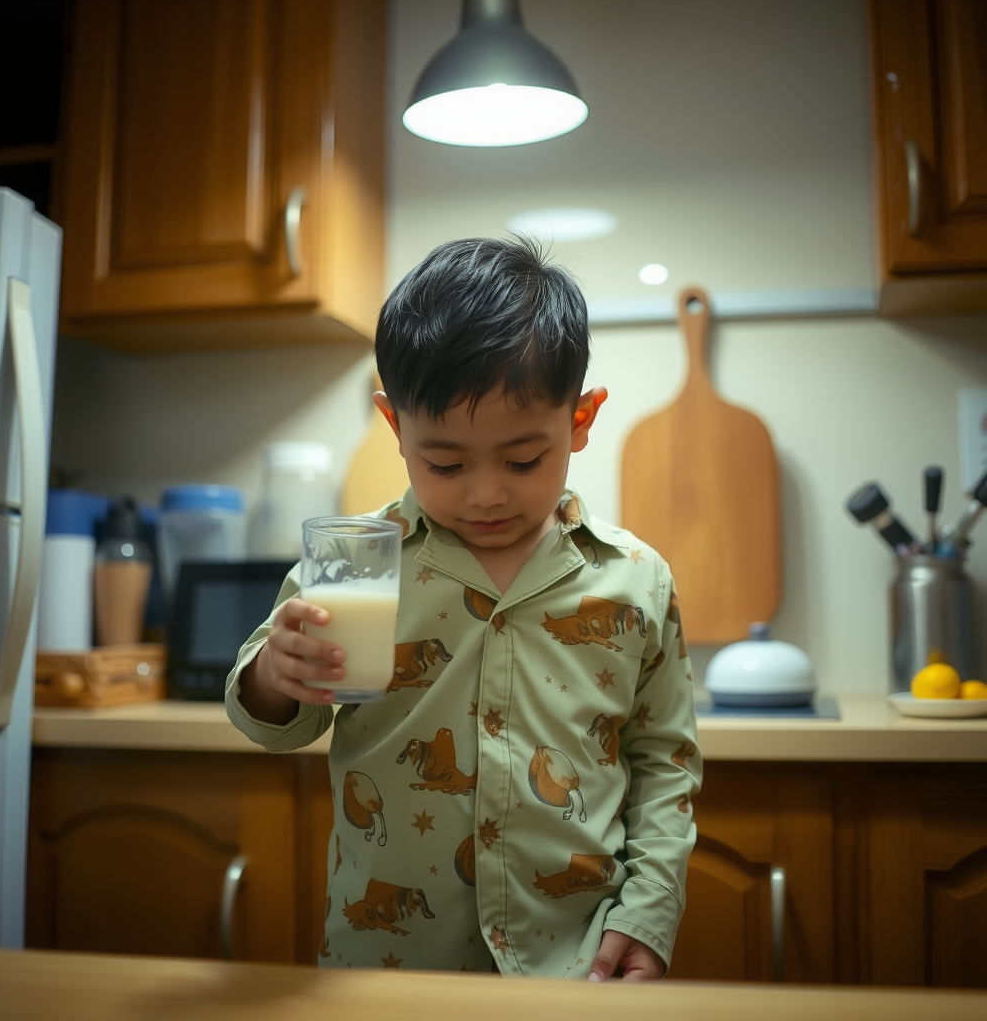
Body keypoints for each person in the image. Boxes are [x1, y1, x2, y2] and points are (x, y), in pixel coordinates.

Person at [226, 236, 701, 981]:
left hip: (575, 966)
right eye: (444, 462)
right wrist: (277, 673)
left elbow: (664, 764)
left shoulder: (636, 580)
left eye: (522, 460)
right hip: (385, 963)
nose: (484, 493)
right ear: (395, 427)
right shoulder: (355, 565)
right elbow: (272, 720)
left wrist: (648, 913)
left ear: (581, 419)